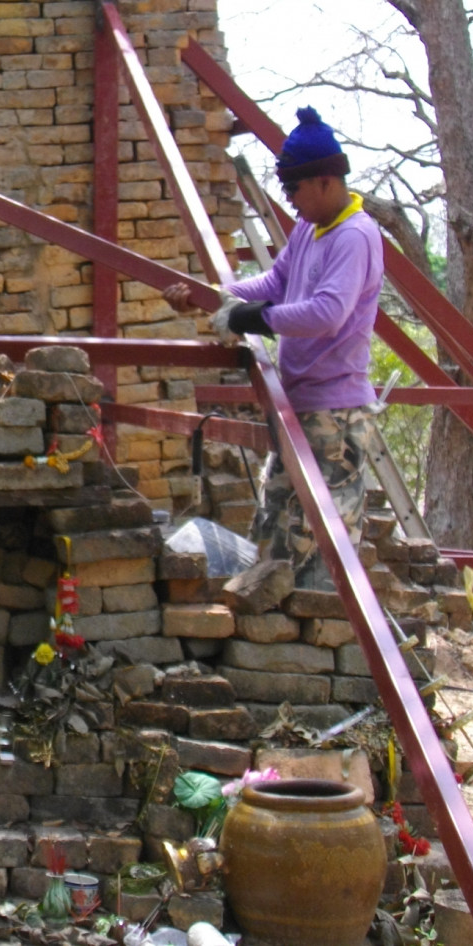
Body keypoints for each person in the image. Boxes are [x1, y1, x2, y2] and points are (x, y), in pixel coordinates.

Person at [162, 106, 388, 588]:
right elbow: (278, 280)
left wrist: (251, 317)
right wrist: (214, 300)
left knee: (318, 545)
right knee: (273, 530)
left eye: (295, 190)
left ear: (325, 182)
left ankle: (326, 647)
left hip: (335, 415)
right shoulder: (311, 227)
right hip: (299, 404)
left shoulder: (354, 236)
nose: (290, 201)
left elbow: (327, 315)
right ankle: (266, 639)